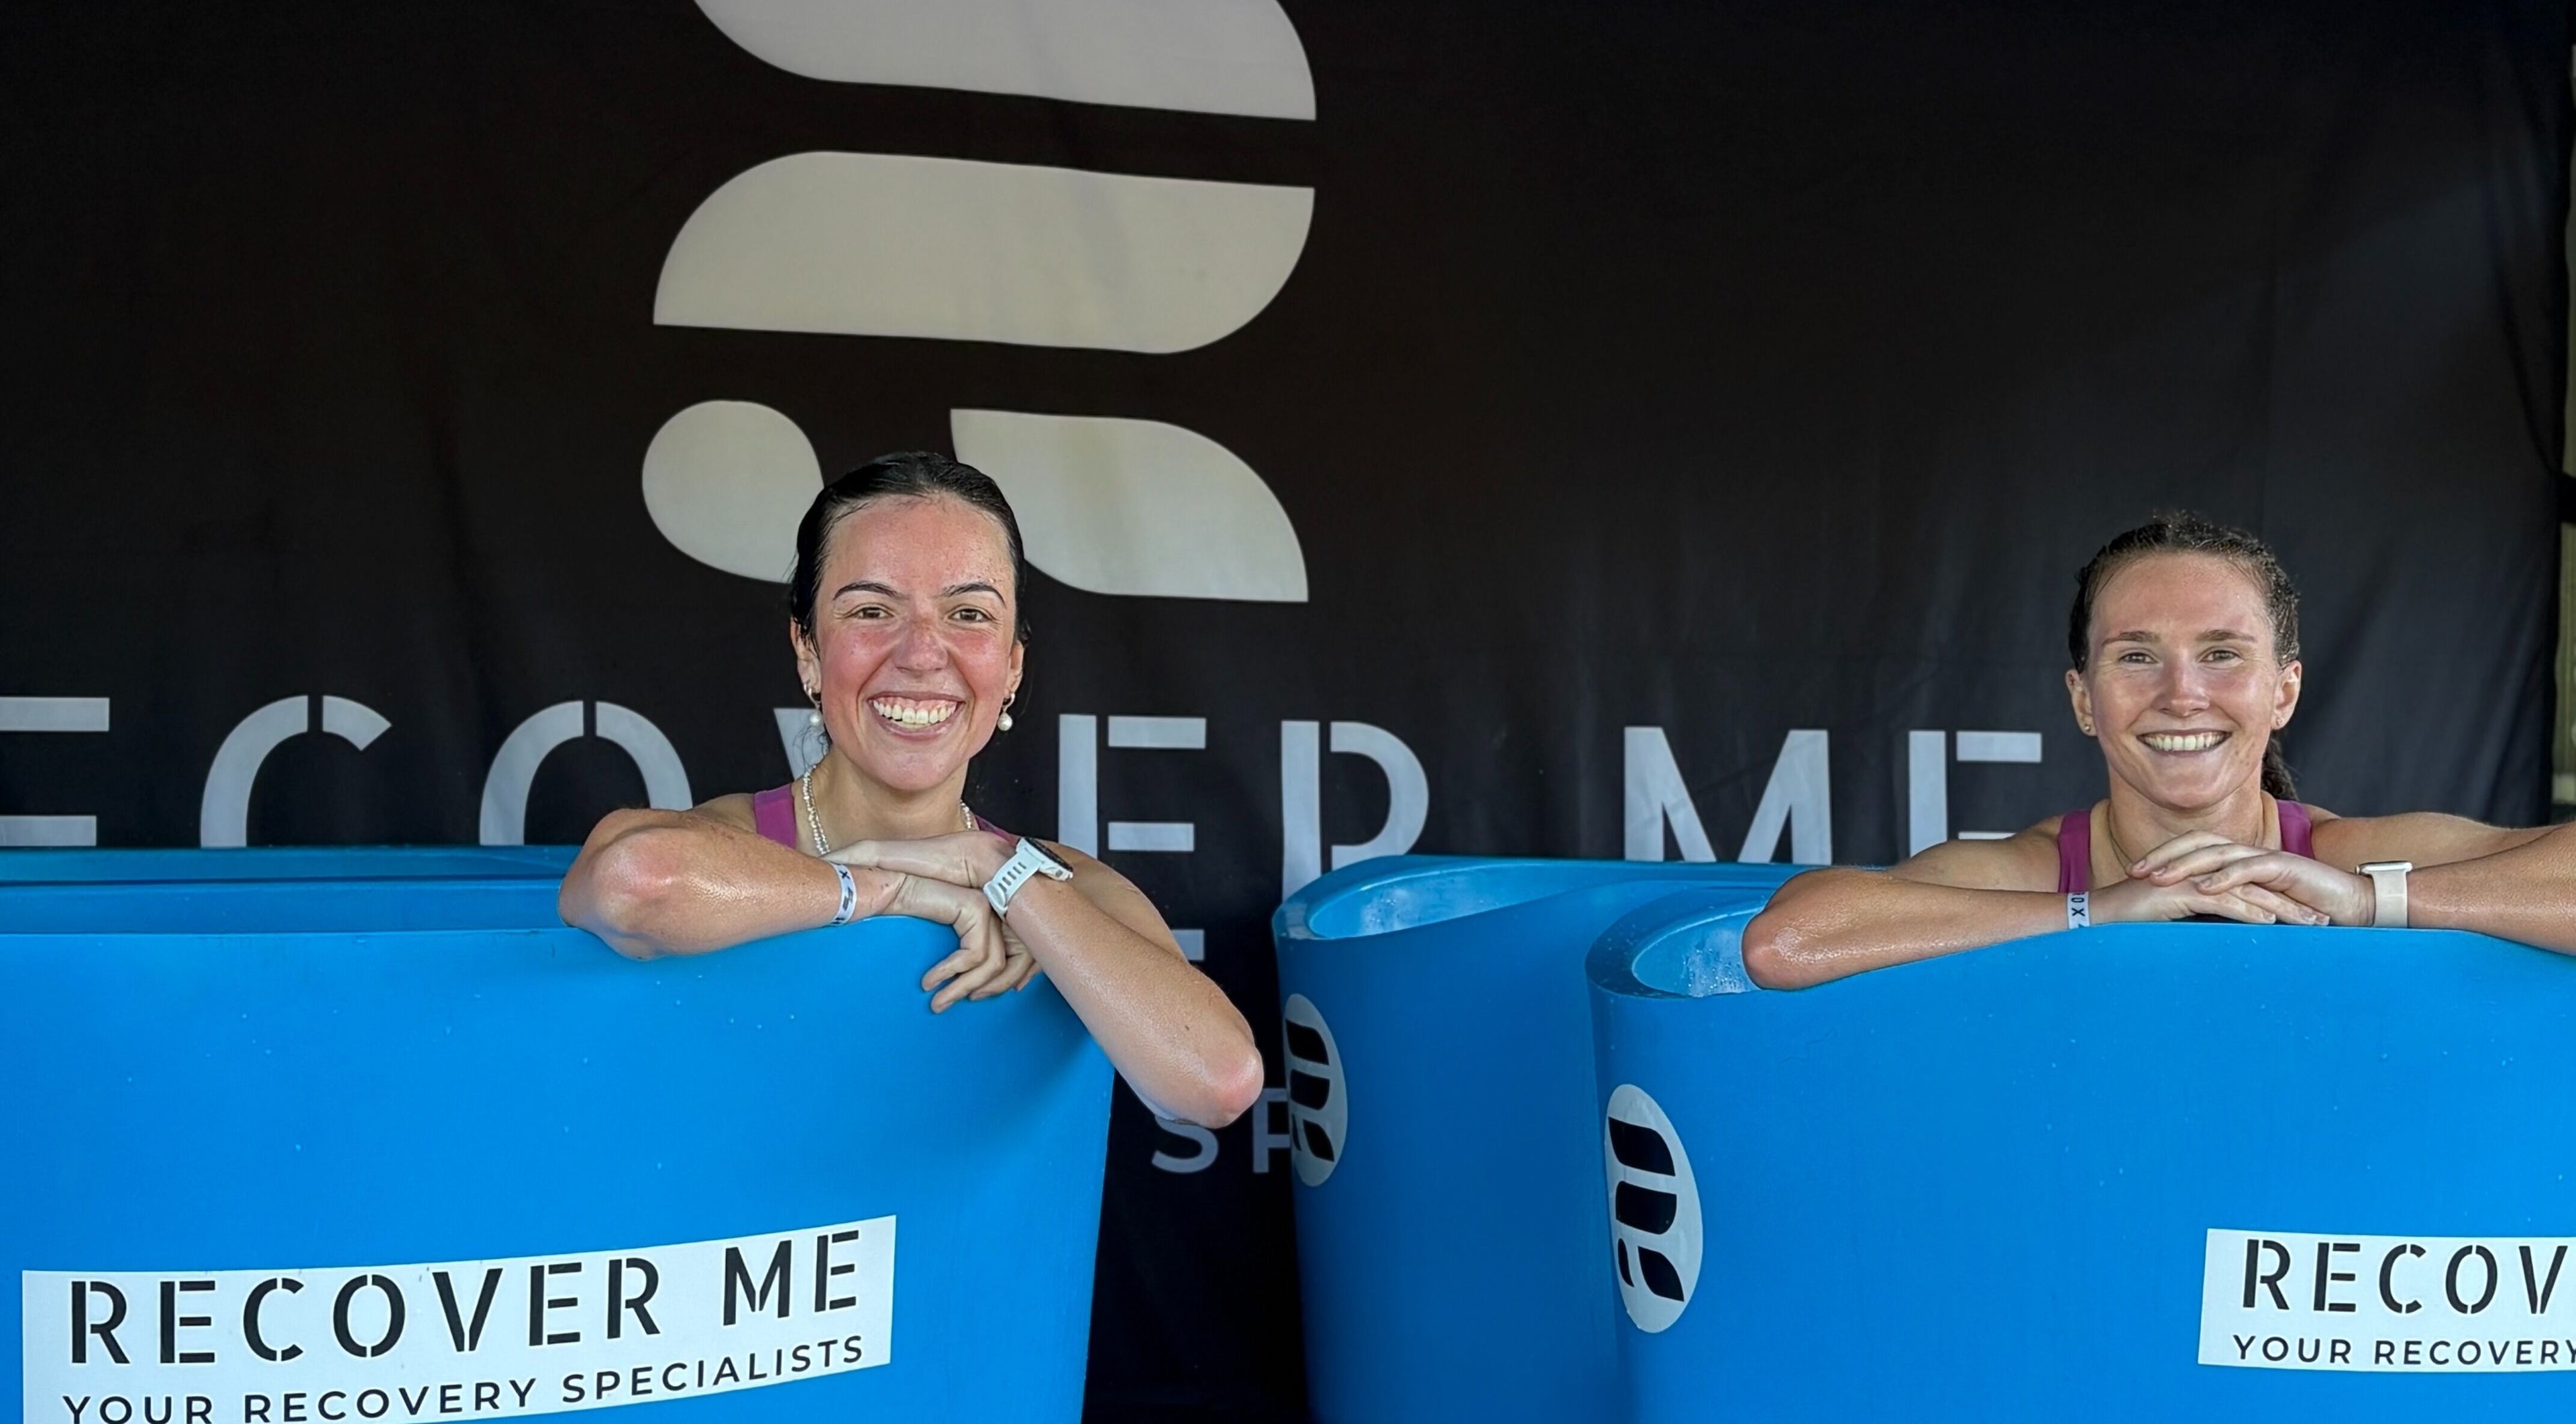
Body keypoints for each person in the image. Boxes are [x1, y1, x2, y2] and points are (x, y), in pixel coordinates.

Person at [559, 451, 1265, 1128]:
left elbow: (1215, 1081)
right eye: (871, 611)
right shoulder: (733, 842)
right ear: (808, 648)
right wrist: (884, 888)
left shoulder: (1059, 884)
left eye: (969, 614)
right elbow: (632, 879)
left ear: (1013, 666)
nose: (923, 653)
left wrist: (1001, 873)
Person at [1742, 511, 2576, 989]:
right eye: (2137, 655)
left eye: (2222, 654)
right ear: (2083, 698)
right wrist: (2099, 912)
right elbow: (1786, 942)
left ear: (2282, 690)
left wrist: (2367, 902)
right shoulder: (2039, 874)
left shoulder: (2346, 856)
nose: (2182, 694)